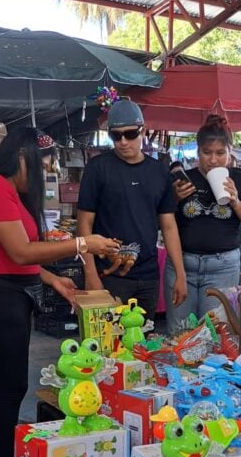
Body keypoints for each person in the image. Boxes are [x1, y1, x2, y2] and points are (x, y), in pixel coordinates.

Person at [0, 127, 120, 457]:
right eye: (43, 166)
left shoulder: (6, 189)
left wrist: (50, 278)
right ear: (21, 158)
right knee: (10, 388)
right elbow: (19, 252)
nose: (45, 175)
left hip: (11, 294)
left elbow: (16, 255)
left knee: (14, 385)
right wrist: (82, 244)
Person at [77, 100, 185, 317]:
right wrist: (90, 273)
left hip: (148, 276)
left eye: (130, 134)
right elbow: (83, 225)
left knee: (143, 345)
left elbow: (168, 226)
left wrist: (180, 274)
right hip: (109, 275)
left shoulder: (159, 172)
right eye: (116, 136)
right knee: (108, 346)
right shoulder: (97, 169)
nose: (123, 142)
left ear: (142, 131)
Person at [167, 115, 241, 329]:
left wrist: (236, 201)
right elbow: (164, 224)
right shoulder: (182, 180)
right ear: (197, 152)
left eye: (220, 153)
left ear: (230, 153)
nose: (213, 160)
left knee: (215, 338)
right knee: (179, 335)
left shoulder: (239, 179)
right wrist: (173, 199)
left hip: (223, 268)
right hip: (183, 265)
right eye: (207, 152)